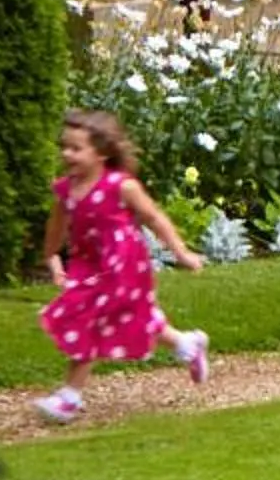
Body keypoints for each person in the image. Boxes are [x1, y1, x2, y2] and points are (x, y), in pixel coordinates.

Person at [33, 109, 211, 424]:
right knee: (129, 316)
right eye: (65, 147)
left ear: (101, 152)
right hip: (88, 263)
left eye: (76, 148)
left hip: (124, 263)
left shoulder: (120, 186)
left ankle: (69, 398)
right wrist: (52, 257)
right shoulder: (66, 189)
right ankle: (186, 343)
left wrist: (182, 253)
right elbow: (56, 227)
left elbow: (154, 217)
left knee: (92, 319)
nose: (67, 154)